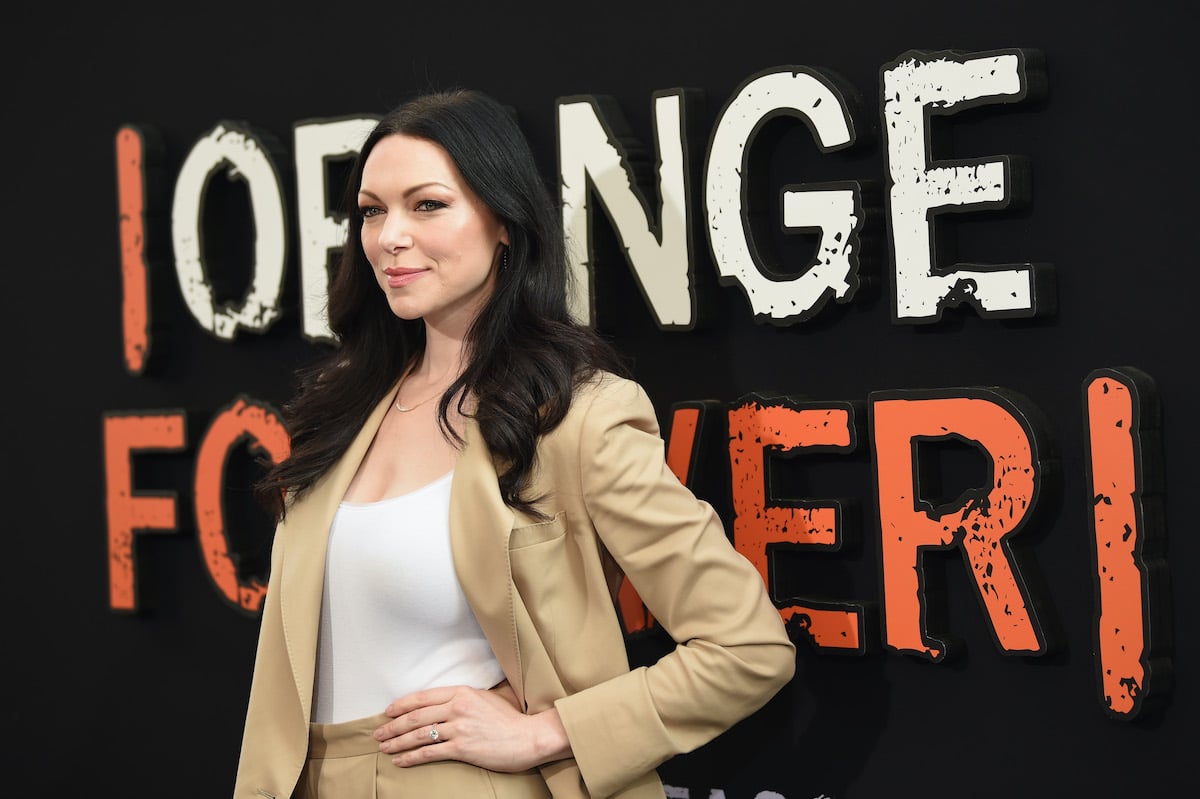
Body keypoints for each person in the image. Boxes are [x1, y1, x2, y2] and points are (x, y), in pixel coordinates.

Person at [233, 88, 795, 799]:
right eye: (372, 210)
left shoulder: (577, 417)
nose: (390, 236)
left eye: (427, 204)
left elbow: (747, 647)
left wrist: (552, 729)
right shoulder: (344, 404)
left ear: (504, 221)